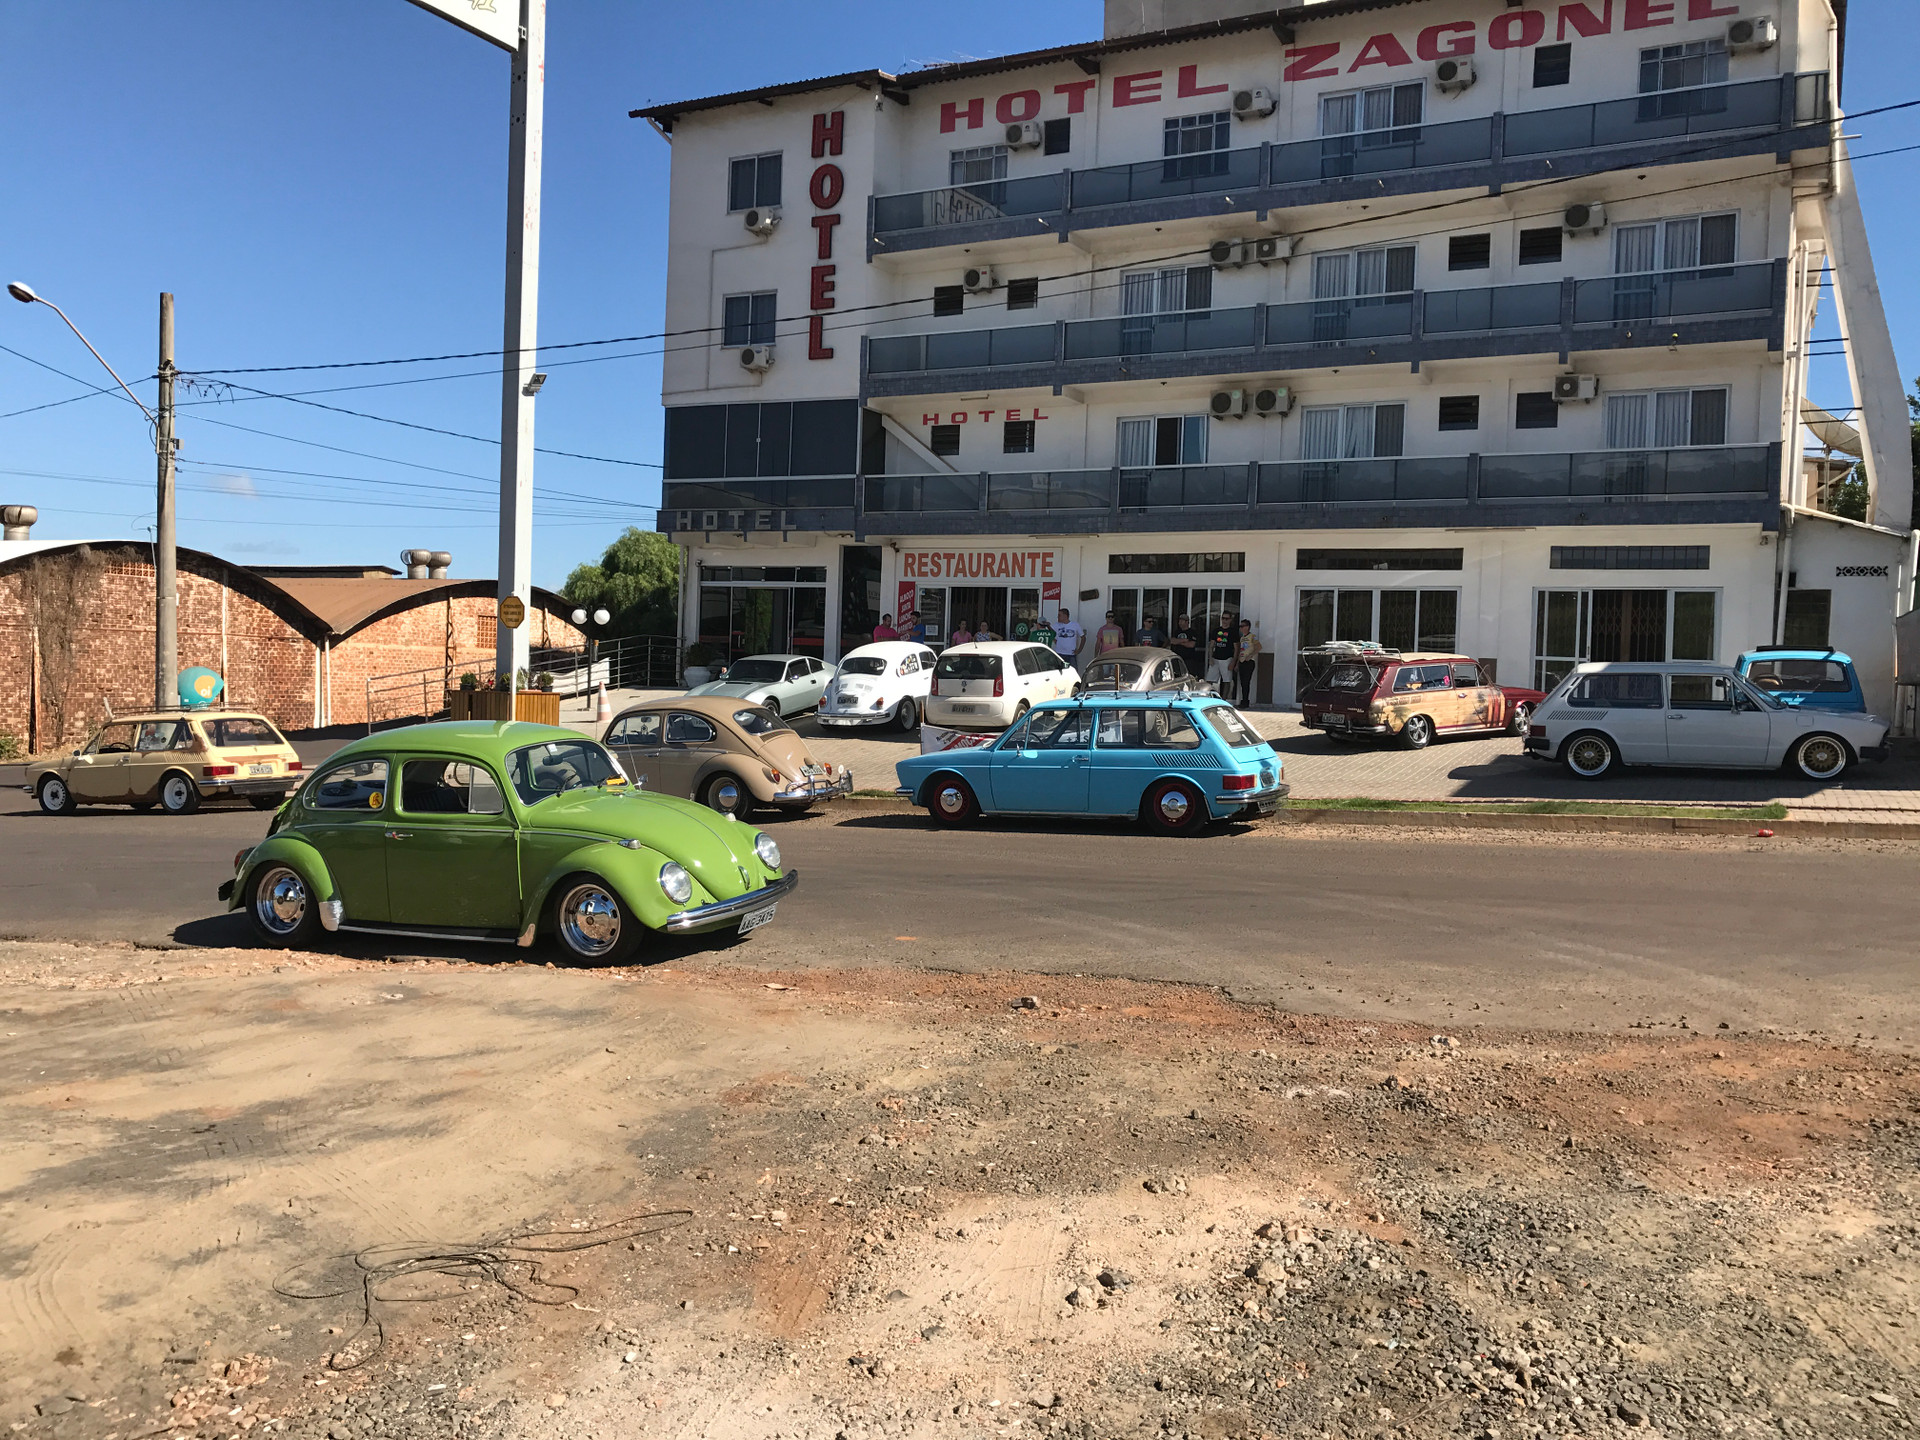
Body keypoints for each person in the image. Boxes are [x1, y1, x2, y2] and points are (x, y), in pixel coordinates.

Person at [1235, 618, 1262, 708]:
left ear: (1248, 627)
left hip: (1249, 662)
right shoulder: (1242, 638)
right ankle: (1243, 700)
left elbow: (1259, 647)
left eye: (1242, 626)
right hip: (1242, 661)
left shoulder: (1252, 637)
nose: (1241, 628)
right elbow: (1240, 651)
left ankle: (1246, 702)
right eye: (1240, 627)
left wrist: (1251, 655)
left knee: (1246, 682)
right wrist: (1237, 664)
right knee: (1242, 683)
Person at [1206, 614, 1236, 692]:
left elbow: (1237, 648)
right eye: (1223, 618)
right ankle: (1210, 698)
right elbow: (1211, 646)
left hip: (1227, 658)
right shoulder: (1216, 630)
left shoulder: (1233, 632)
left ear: (1230, 620)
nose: (1224, 621)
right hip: (1215, 658)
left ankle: (1224, 699)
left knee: (1226, 681)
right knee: (1209, 680)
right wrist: (1210, 658)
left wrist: (1233, 662)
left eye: (1227, 619)